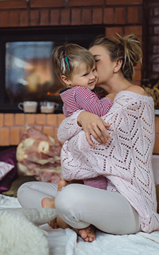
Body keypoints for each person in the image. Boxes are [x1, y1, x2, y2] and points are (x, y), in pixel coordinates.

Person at [17, 34, 159, 242]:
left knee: (68, 197)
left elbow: (81, 146)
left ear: (117, 64)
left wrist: (78, 125)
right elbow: (62, 132)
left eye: (95, 59)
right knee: (26, 189)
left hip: (129, 202)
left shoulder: (133, 98)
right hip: (97, 191)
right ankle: (70, 218)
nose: (89, 64)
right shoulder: (95, 100)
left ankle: (64, 217)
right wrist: (82, 117)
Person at [52, 43, 116, 190]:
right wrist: (111, 97)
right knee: (96, 180)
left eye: (93, 70)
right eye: (86, 74)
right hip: (88, 144)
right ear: (66, 79)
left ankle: (65, 193)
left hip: (76, 146)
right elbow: (99, 109)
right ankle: (92, 201)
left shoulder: (67, 94)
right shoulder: (81, 91)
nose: (93, 76)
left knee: (85, 177)